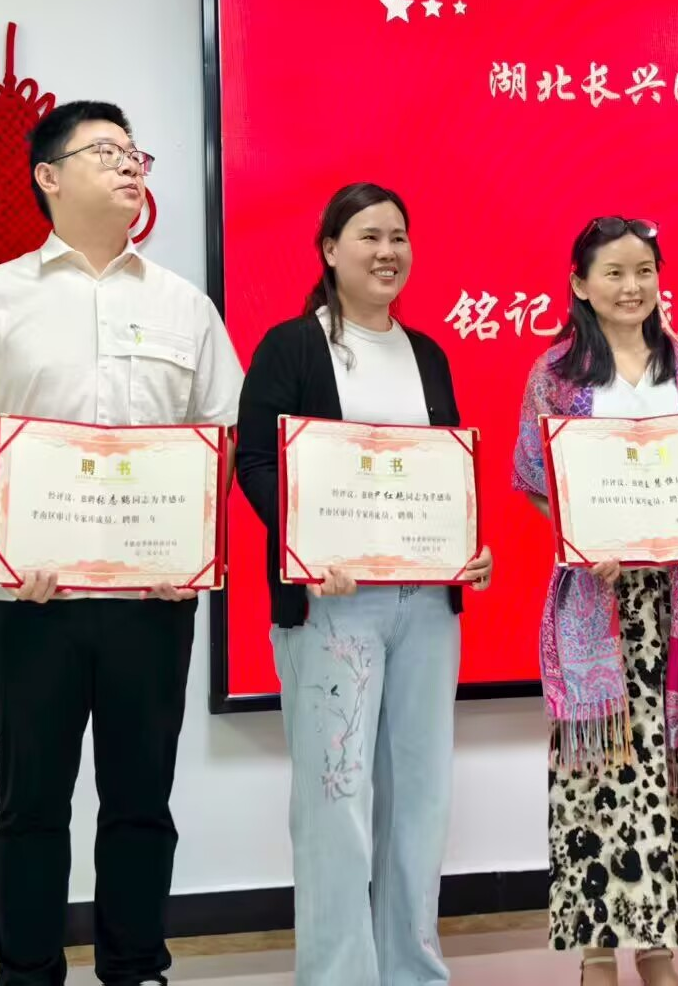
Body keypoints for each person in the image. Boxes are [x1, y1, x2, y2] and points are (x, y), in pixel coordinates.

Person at [0, 100, 245, 986]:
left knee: (141, 802)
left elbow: (220, 437)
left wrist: (190, 547)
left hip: (153, 601)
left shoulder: (184, 305)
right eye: (106, 151)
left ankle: (136, 968)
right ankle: (26, 973)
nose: (130, 166)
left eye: (136, 154)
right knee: (31, 804)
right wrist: (7, 546)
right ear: (49, 176)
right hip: (34, 601)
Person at [235, 183, 494, 986]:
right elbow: (255, 461)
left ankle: (414, 970)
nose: (387, 252)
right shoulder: (291, 346)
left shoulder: (428, 353)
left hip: (427, 607)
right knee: (336, 801)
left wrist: (469, 548)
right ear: (329, 249)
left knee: (420, 798)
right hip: (333, 605)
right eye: (369, 235)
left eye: (399, 236)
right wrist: (309, 545)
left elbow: (443, 476)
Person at [511, 217, 678, 986]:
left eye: (644, 270)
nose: (631, 285)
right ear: (580, 283)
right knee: (602, 773)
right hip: (598, 599)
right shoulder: (556, 371)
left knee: (669, 771)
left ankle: (658, 948)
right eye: (613, 272)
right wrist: (585, 537)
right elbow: (535, 475)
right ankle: (596, 950)